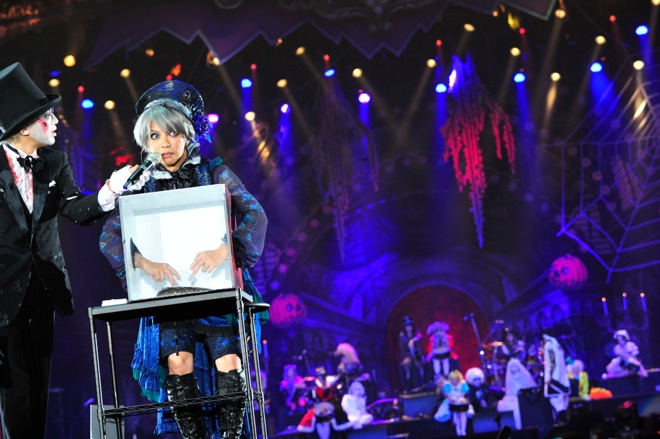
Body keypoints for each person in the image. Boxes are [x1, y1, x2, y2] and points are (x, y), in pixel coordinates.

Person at [99, 79, 268, 439]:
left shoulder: (214, 171)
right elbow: (110, 237)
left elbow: (255, 214)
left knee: (229, 362)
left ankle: (231, 437)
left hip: (216, 294)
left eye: (172, 134)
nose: (164, 144)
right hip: (169, 298)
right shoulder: (141, 184)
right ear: (145, 142)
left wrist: (225, 250)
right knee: (178, 364)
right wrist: (143, 263)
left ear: (188, 134)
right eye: (155, 136)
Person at [0, 62, 147, 438]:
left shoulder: (54, 162)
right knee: (13, 387)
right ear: (23, 127)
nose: (55, 122)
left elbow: (75, 208)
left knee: (36, 386)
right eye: (46, 116)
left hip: (42, 290)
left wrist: (109, 191)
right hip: (2, 291)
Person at [434, 370, 471, 436]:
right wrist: (451, 398)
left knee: (464, 414)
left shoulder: (463, 383)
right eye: (453, 379)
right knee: (453, 415)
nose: (454, 380)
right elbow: (447, 394)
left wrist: (461, 398)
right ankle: (458, 431)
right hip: (450, 402)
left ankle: (463, 431)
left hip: (461, 402)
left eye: (456, 378)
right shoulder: (447, 384)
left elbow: (463, 393)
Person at [542, 331, 570, 418]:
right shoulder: (558, 346)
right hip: (562, 377)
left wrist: (549, 377)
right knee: (563, 401)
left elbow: (551, 362)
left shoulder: (549, 346)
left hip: (554, 378)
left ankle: (561, 419)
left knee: (556, 401)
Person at [398, 315, 424, 392]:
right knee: (406, 366)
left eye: (410, 326)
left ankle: (421, 383)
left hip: (417, 354)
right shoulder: (402, 336)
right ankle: (408, 385)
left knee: (420, 365)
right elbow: (402, 348)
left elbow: (420, 336)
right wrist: (404, 358)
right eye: (407, 327)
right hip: (408, 355)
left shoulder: (416, 333)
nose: (408, 328)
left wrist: (413, 340)